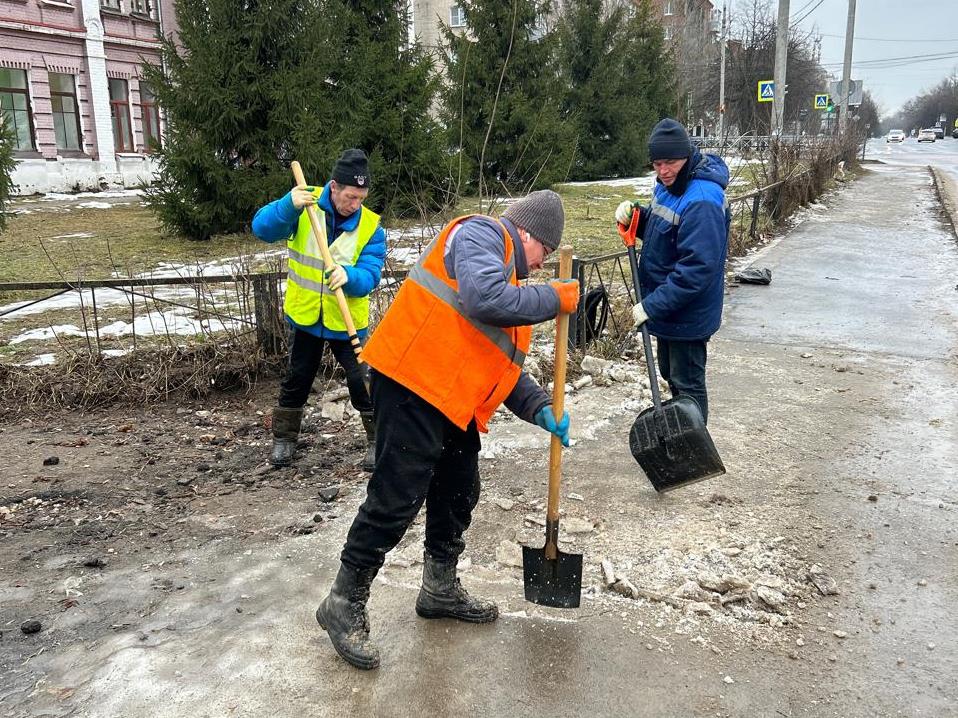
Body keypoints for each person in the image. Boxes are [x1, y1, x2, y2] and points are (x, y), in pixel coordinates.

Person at [315, 190, 580, 670]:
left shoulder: (512, 280)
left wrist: (539, 406)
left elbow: (498, 362)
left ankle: (439, 587)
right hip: (411, 381)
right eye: (545, 251)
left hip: (447, 399)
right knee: (396, 497)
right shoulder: (482, 235)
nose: (541, 267)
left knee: (460, 489)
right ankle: (343, 599)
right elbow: (483, 299)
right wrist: (553, 298)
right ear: (530, 235)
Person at [252, 149, 386, 470]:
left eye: (361, 197)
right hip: (306, 314)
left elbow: (370, 275)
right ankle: (284, 439)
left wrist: (350, 276)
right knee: (297, 377)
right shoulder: (304, 203)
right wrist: (287, 205)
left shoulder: (371, 227)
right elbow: (262, 229)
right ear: (334, 186)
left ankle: (377, 441)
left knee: (362, 380)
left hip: (346, 320)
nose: (355, 204)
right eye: (350, 196)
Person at [615, 118, 730, 423]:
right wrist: (638, 217)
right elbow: (666, 232)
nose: (663, 170)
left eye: (670, 162)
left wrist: (651, 305)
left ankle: (693, 451)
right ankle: (682, 437)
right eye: (657, 163)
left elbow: (695, 269)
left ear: (687, 157)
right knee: (672, 374)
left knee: (688, 384)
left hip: (688, 313)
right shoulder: (671, 187)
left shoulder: (702, 200)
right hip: (670, 310)